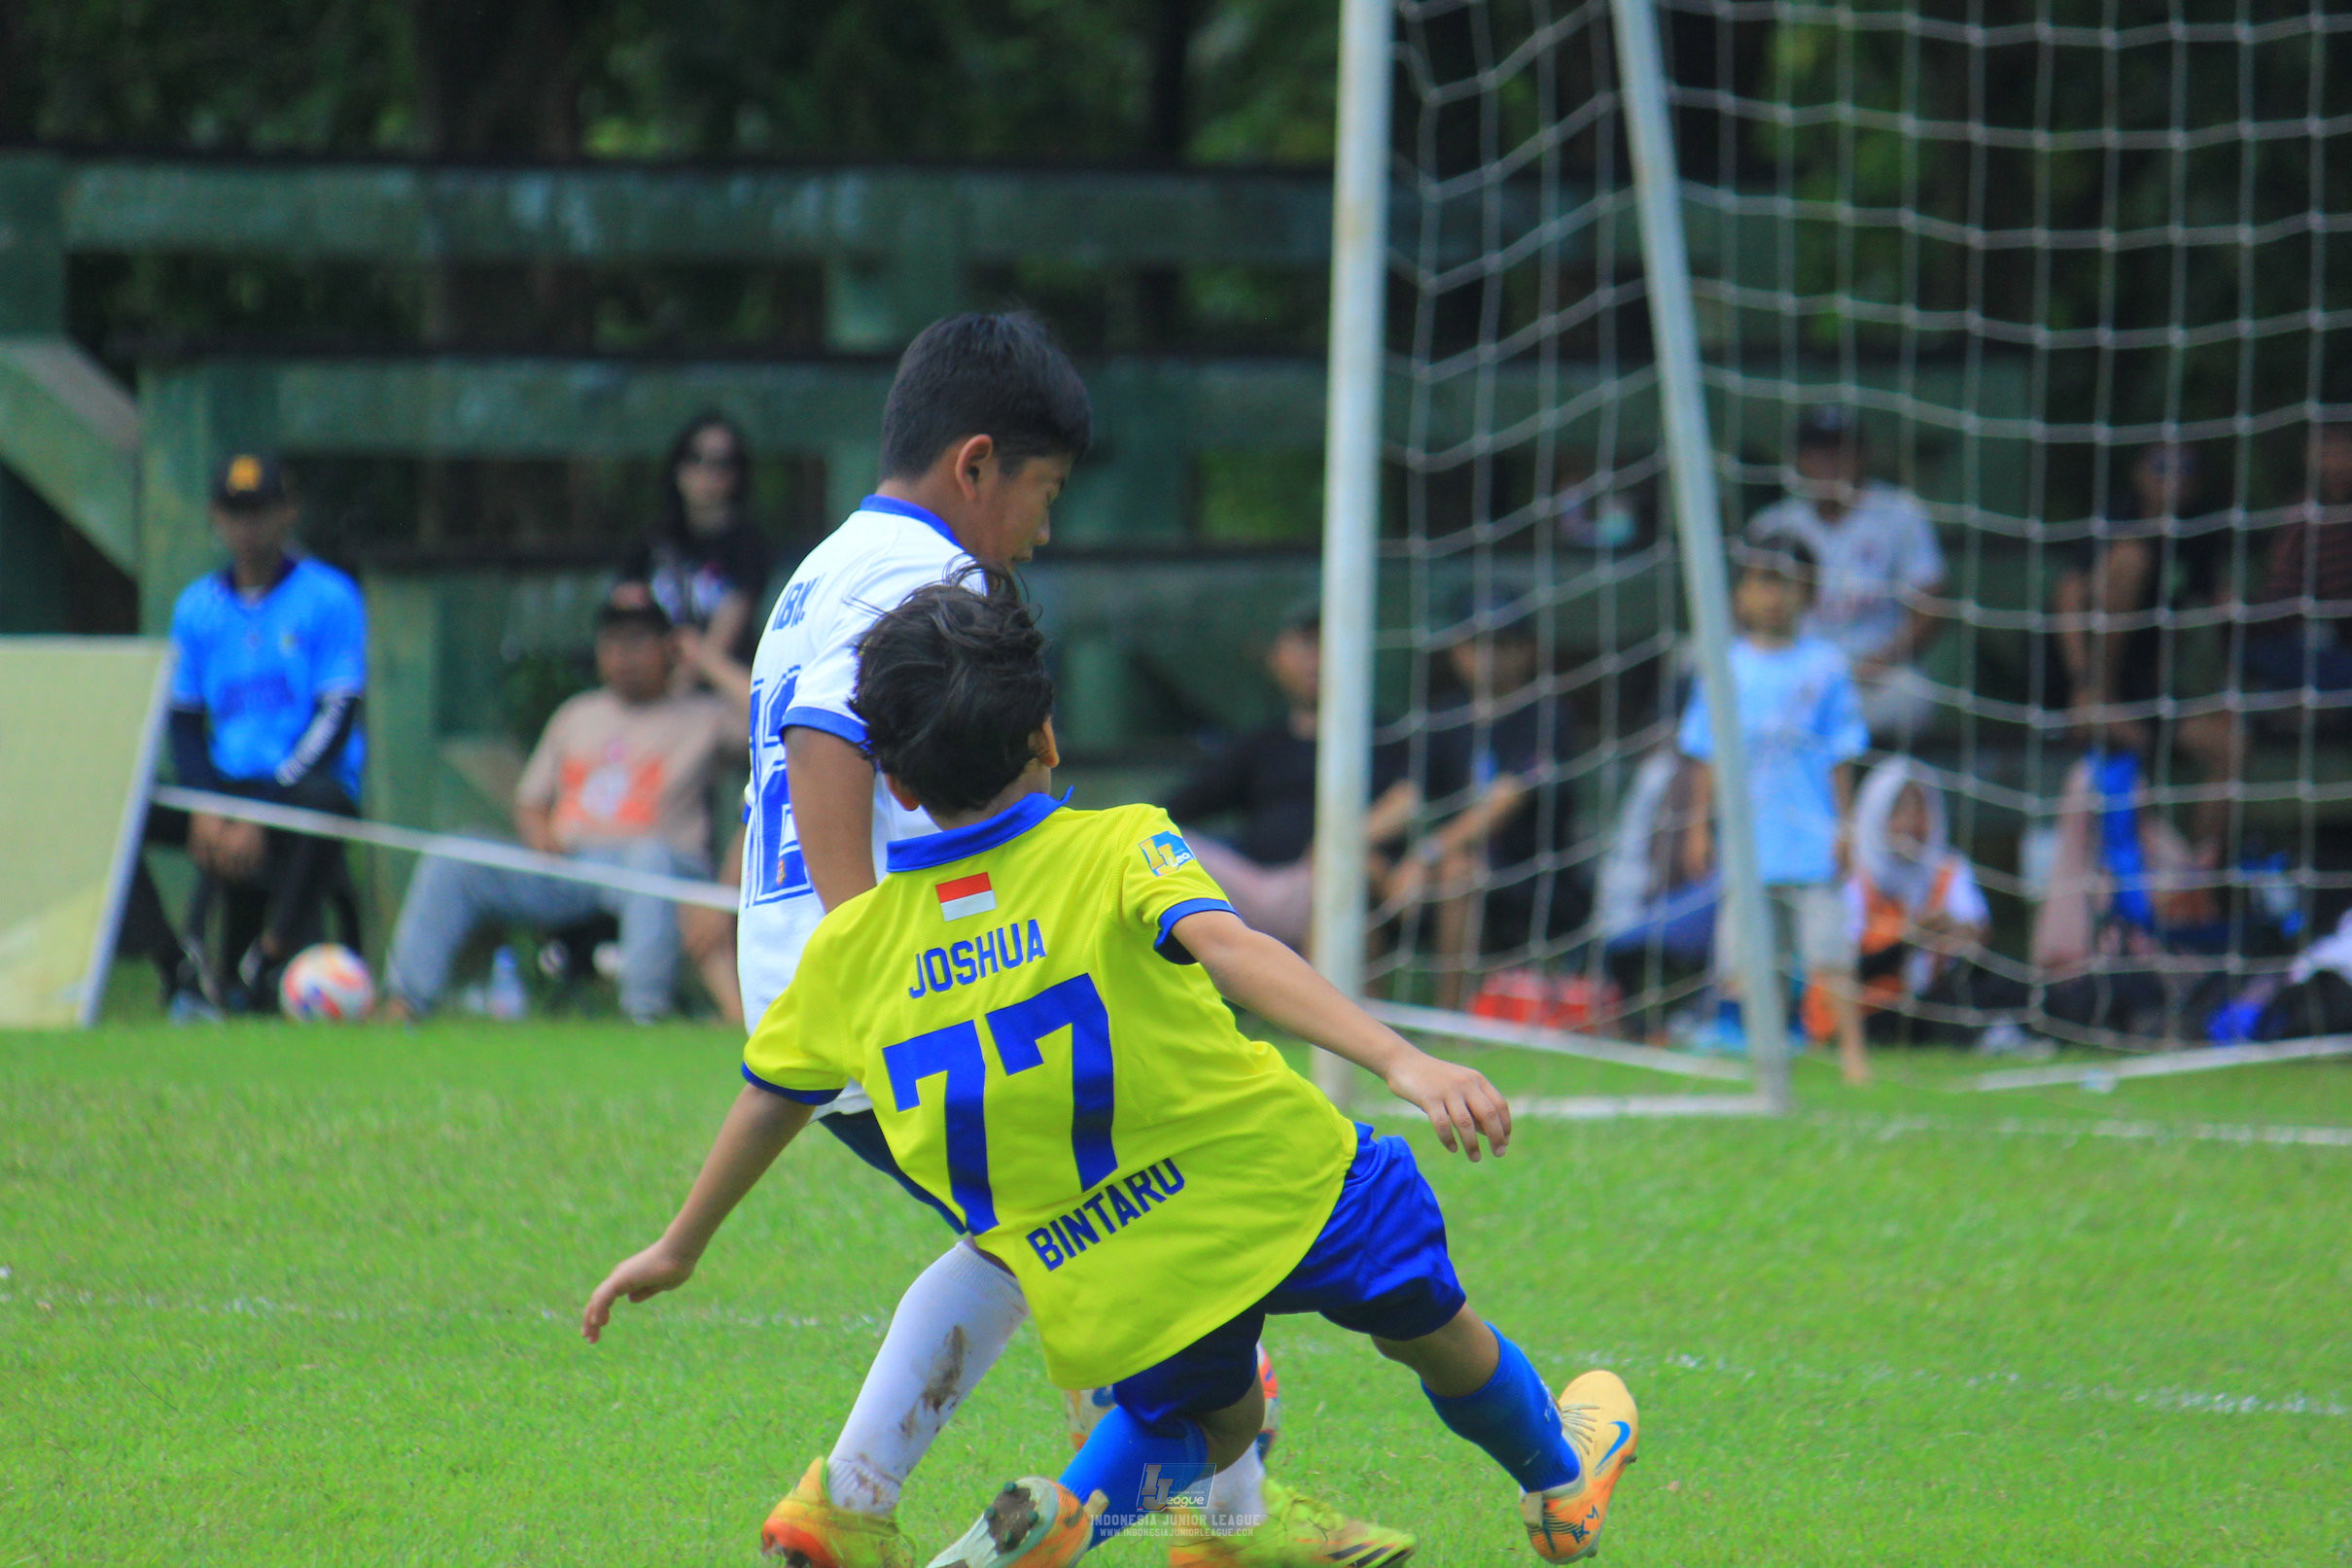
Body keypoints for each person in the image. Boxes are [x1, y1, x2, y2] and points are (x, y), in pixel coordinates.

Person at [581, 578, 1641, 1568]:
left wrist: (679, 1245)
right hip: (1282, 1181)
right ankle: (1558, 1482)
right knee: (1430, 1325)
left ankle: (1137, 1515)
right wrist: (1403, 1057)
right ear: (1045, 734)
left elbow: (773, 1095)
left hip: (1112, 1270)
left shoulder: (851, 950)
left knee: (1202, 1410)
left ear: (894, 784)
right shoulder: (1119, 844)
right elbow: (1233, 948)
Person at [735, 313, 1398, 1568]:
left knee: (1023, 1226)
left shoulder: (826, 564)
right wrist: (860, 940)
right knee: (1114, 1217)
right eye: (1040, 490)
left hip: (833, 983)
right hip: (890, 981)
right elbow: (826, 733)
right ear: (974, 463)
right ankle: (1215, 1517)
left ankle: (856, 1498)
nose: (1041, 526)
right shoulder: (940, 575)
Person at [381, 595, 741, 1023]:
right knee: (456, 855)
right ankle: (404, 1002)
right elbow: (531, 801)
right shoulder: (577, 713)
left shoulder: (706, 715)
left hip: (660, 868)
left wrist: (708, 662)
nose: (623, 656)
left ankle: (644, 1014)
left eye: (637, 642)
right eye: (612, 643)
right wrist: (538, 834)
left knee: (651, 859)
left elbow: (778, 717)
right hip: (567, 864)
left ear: (669, 647)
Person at [139, 452, 369, 1011]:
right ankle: (178, 969)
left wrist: (265, 811)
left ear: (288, 513)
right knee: (119, 813)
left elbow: (335, 717)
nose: (248, 527)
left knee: (323, 802)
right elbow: (185, 723)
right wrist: (206, 808)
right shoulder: (197, 607)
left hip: (302, 785)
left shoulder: (329, 597)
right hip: (224, 787)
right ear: (216, 518)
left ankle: (268, 961)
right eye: (235, 512)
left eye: (261, 511)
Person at [1679, 539, 1872, 1085]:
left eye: (1782, 582)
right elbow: (1705, 754)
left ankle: (1853, 1055)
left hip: (1811, 838)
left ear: (1807, 593)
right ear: (1740, 593)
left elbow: (1842, 752)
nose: (1770, 595)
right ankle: (1765, 1058)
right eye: (1759, 581)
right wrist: (1698, 827)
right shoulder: (1724, 666)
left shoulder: (1826, 666)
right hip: (1748, 840)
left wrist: (1846, 824)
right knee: (1745, 961)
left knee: (1829, 954)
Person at [1382, 595, 1588, 1007]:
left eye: (1502, 643)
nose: (1487, 656)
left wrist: (1426, 854)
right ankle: (1360, 1015)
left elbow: (1503, 801)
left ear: (1527, 650)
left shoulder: (1546, 716)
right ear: (1457, 650)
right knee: (1356, 866)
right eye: (1475, 643)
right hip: (1436, 871)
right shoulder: (1444, 715)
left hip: (1533, 880)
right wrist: (1340, 845)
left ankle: (1451, 1019)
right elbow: (1407, 796)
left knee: (1461, 870)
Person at [2050, 440, 2240, 858]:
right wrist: (2084, 683)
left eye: (2184, 468)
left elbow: (2216, 612)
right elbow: (2068, 596)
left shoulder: (2198, 535)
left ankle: (2196, 876)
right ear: (2139, 472)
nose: (2172, 478)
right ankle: (2099, 700)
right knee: (2131, 561)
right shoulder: (2118, 518)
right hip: (2088, 682)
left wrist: (2227, 689)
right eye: (2161, 466)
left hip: (2152, 692)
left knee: (2230, 743)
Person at [1745, 406, 1945, 743]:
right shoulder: (1773, 523)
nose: (1828, 461)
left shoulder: (1899, 512)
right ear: (1798, 460)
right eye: (1816, 451)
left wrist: (1884, 660)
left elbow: (1930, 603)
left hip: (1869, 673)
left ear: (1862, 456)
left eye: (1838, 450)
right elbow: (1743, 613)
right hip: (1790, 673)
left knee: (1913, 696)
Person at [1803, 758, 2026, 1048]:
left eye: (1920, 810)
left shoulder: (1947, 870)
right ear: (1876, 815)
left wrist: (1959, 933)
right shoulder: (1853, 878)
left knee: (1995, 989)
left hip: (1927, 1001)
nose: (1911, 823)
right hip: (1869, 1012)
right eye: (1899, 811)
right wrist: (1909, 941)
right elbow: (1845, 970)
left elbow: (1977, 937)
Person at [619, 410, 770, 709]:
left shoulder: (747, 544)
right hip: (649, 691)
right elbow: (625, 614)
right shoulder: (651, 540)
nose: (707, 473)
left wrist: (675, 691)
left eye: (721, 463)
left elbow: (723, 637)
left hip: (720, 694)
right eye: (695, 458)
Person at [2243, 417, 2352, 725]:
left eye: (2345, 450)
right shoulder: (2302, 515)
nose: (2338, 462)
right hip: (2312, 639)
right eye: (2328, 451)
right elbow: (2284, 590)